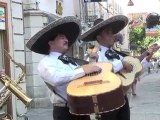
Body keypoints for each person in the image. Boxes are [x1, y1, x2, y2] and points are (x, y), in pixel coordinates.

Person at [80, 15, 159, 120]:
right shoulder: (93, 53)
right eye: (108, 32)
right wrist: (121, 63)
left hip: (122, 99)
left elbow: (133, 69)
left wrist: (147, 58)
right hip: (106, 102)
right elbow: (98, 72)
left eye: (112, 32)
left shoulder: (118, 55)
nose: (113, 35)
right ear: (98, 37)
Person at [26, 16, 102, 120]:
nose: (66, 40)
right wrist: (83, 70)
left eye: (66, 38)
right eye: (62, 37)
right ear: (51, 43)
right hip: (64, 112)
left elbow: (82, 78)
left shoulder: (70, 61)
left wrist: (92, 62)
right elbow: (55, 78)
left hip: (81, 110)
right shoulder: (45, 62)